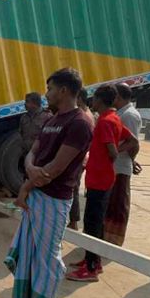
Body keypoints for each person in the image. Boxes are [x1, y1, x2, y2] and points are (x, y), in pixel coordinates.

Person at [0, 68, 93, 298]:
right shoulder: (53, 119)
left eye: (50, 88)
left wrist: (26, 186)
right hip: (39, 196)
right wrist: (29, 169)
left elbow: (54, 169)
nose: (47, 93)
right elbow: (34, 152)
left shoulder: (80, 122)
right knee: (31, 254)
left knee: (47, 261)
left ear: (64, 90)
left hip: (53, 199)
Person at [66, 85, 137, 282]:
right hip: (101, 178)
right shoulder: (114, 118)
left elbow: (113, 151)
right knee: (94, 223)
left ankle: (90, 268)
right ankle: (92, 261)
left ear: (100, 100)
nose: (92, 101)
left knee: (92, 224)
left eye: (94, 98)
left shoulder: (106, 121)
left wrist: (109, 157)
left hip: (100, 180)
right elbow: (132, 141)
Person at [102, 83, 142, 248]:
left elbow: (132, 143)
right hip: (114, 165)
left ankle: (114, 242)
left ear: (118, 96)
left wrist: (115, 152)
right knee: (110, 204)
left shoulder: (129, 115)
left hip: (120, 166)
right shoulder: (120, 113)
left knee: (118, 204)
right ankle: (106, 239)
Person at [68, 89, 94, 230]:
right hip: (82, 158)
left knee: (72, 188)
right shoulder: (86, 114)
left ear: (79, 99)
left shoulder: (84, 117)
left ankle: (73, 221)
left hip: (79, 159)